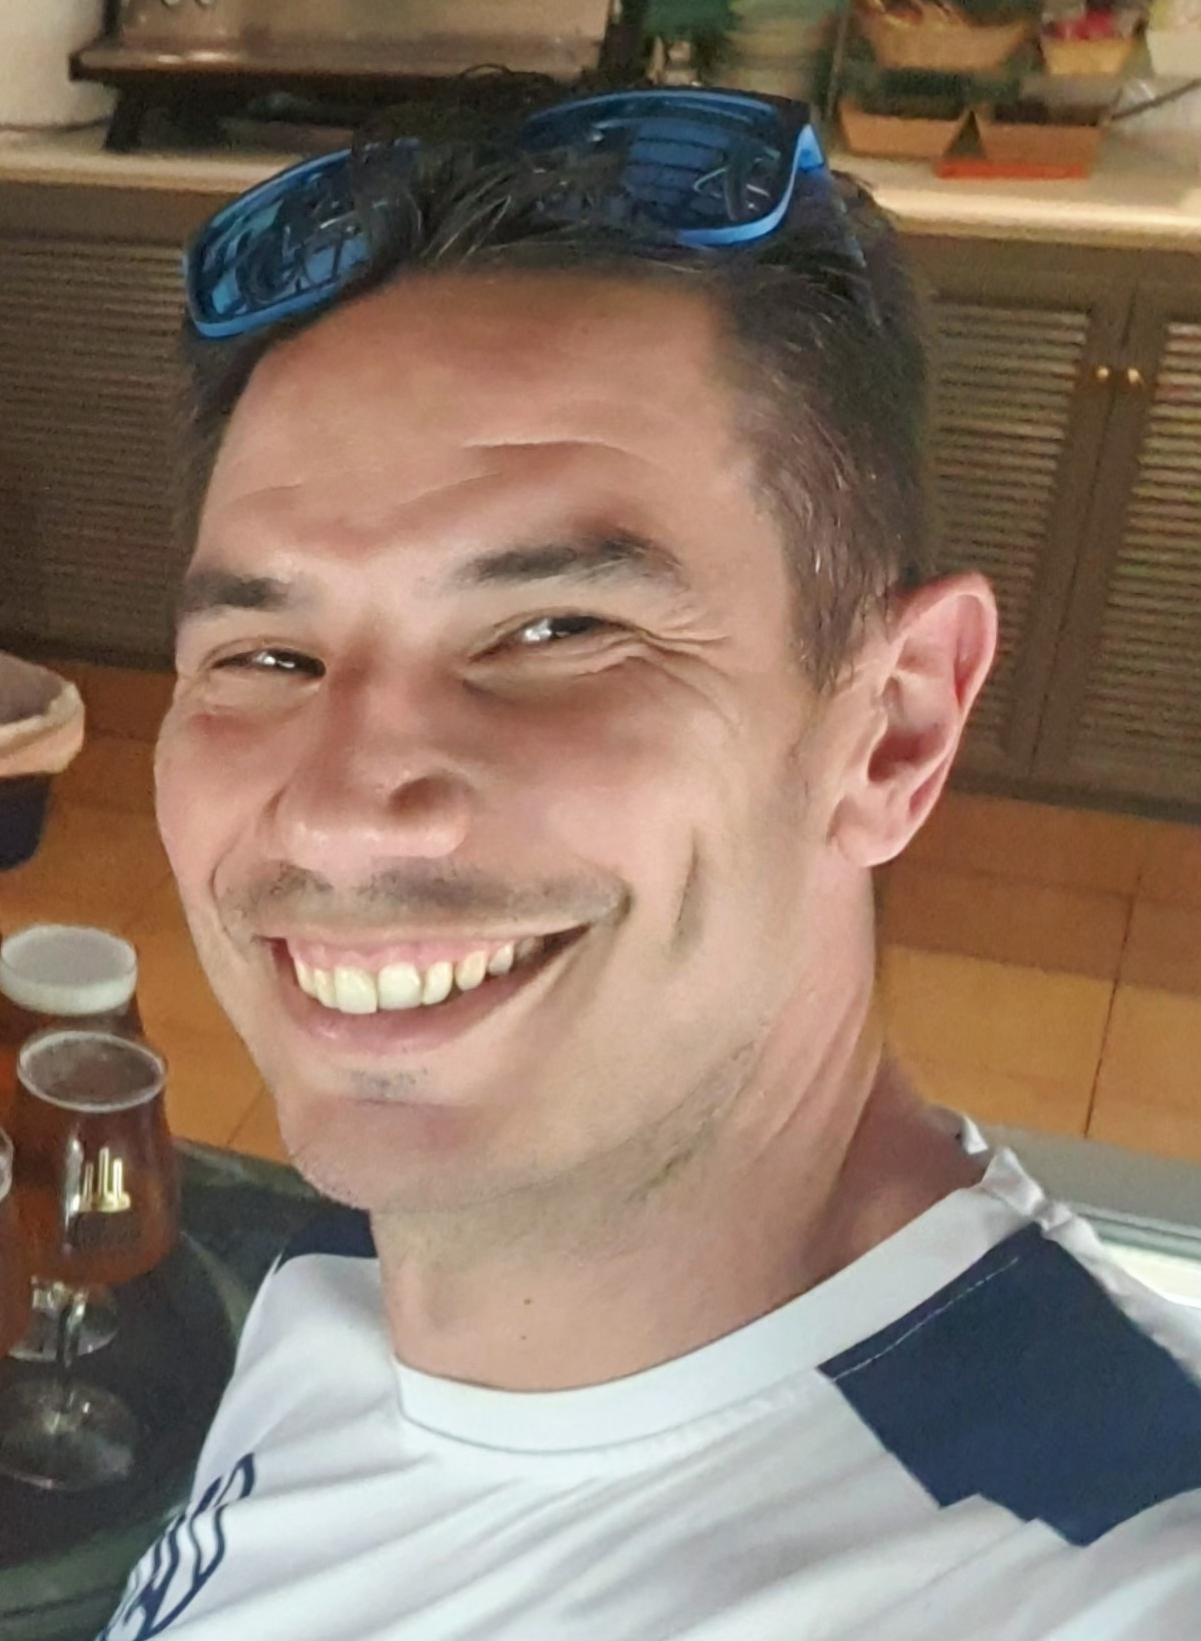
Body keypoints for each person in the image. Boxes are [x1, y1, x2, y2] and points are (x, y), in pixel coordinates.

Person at [104, 89, 1201, 1639]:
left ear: (892, 729)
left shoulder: (1098, 1571)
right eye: (268, 655)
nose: (340, 815)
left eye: (556, 631)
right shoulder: (357, 1259)